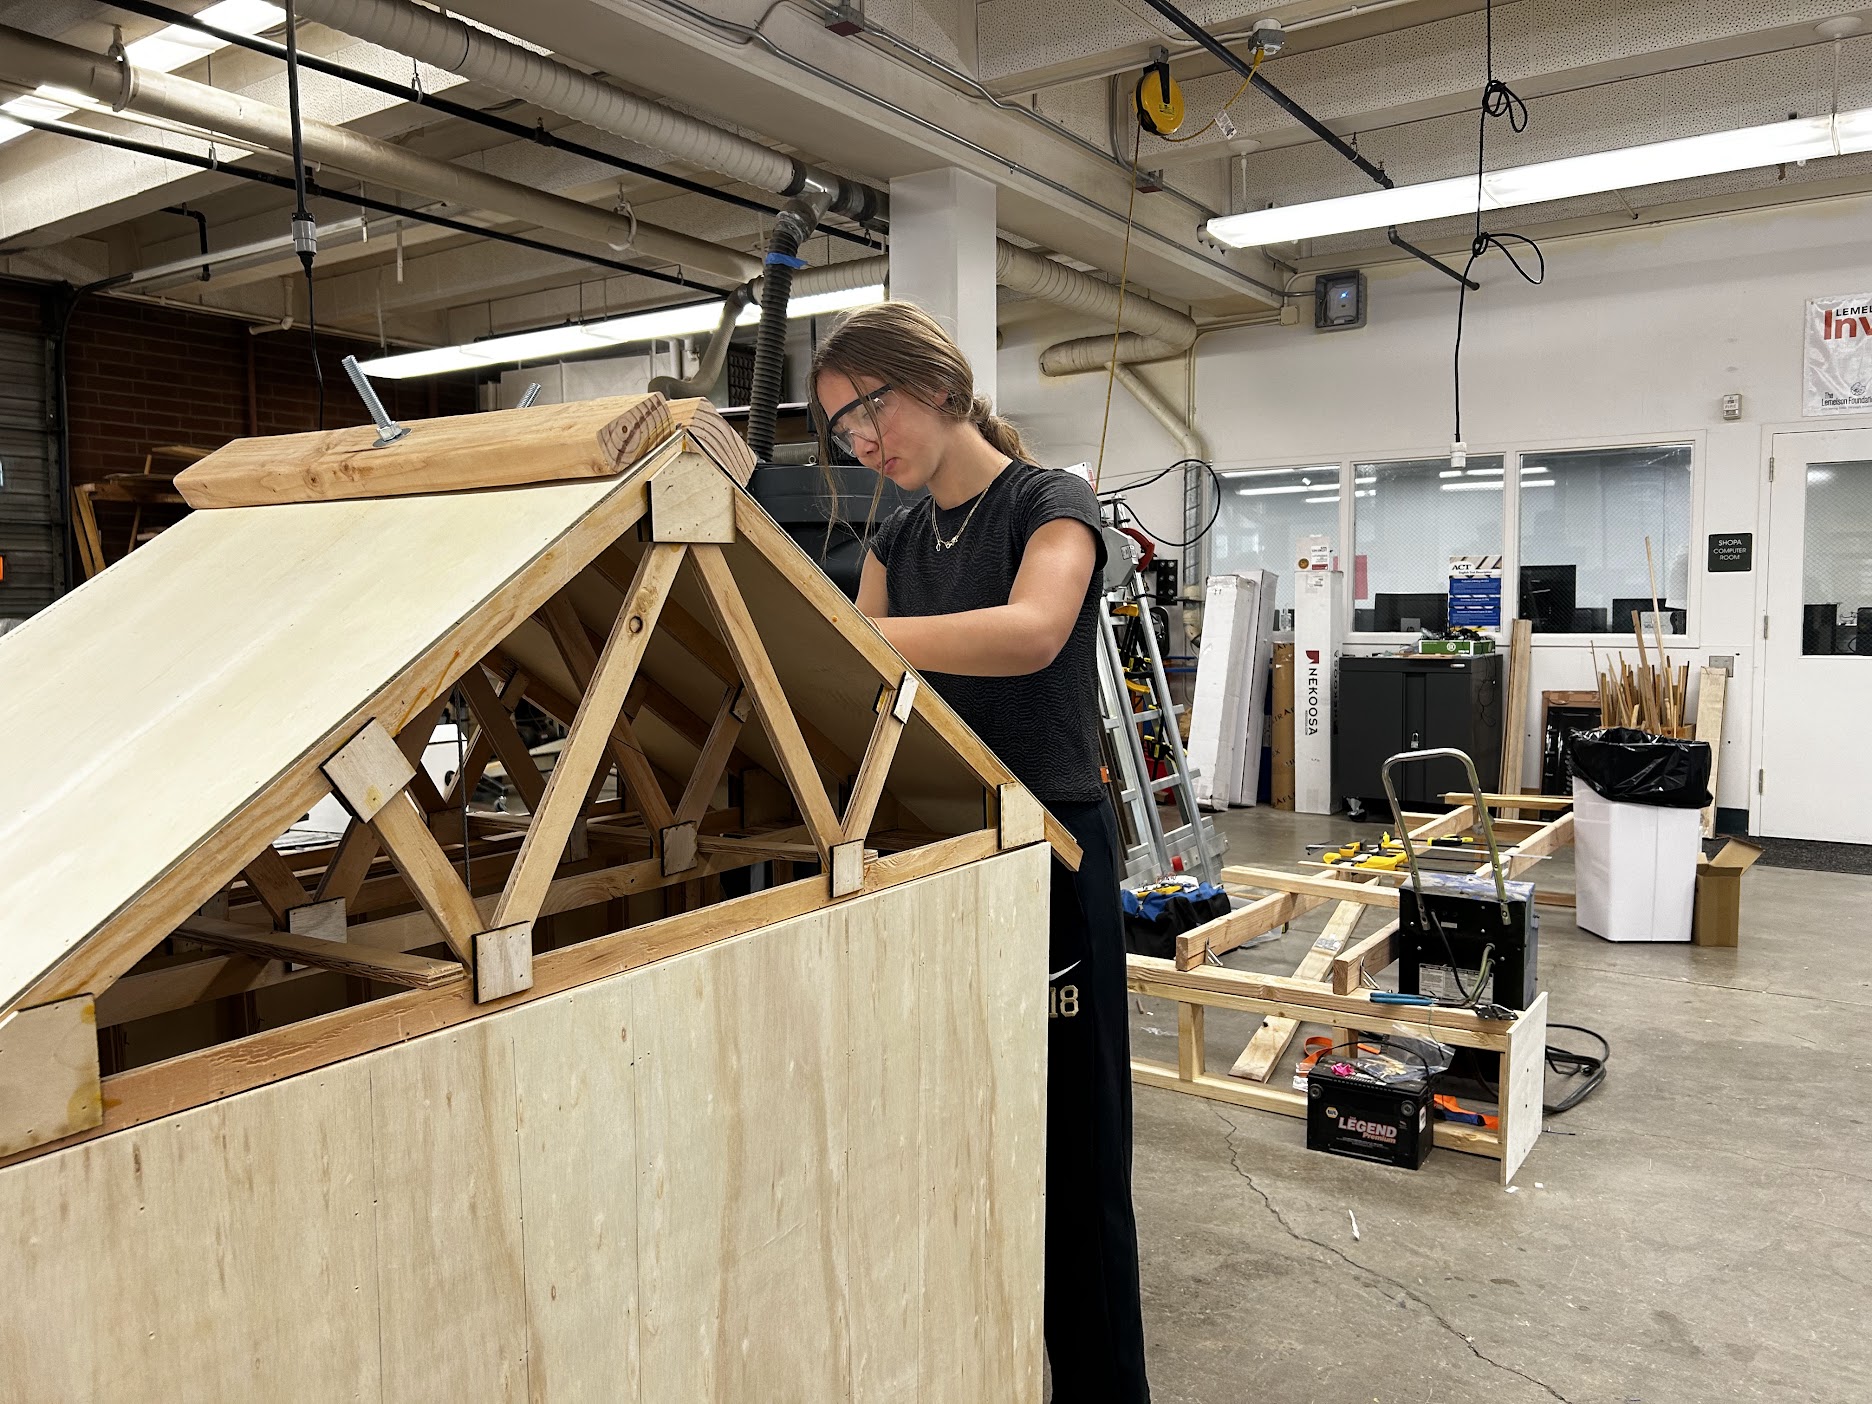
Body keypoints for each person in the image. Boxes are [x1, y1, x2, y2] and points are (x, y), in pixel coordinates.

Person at [811, 301, 1151, 1403]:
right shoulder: (899, 542)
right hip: (940, 850)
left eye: (872, 409)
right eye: (845, 431)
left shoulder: (1051, 502)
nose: (866, 443)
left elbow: (1031, 630)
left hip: (1051, 855)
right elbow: (860, 681)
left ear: (941, 387)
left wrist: (849, 634)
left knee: (1077, 1155)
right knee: (960, 1139)